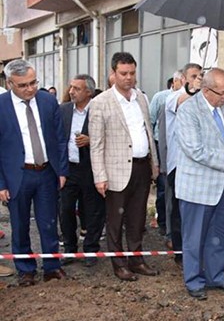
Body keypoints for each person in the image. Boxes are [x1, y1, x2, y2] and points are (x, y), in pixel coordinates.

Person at [175, 68, 224, 300]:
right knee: (194, 236)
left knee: (220, 233)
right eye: (223, 93)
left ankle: (216, 276)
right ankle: (194, 281)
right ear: (206, 90)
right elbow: (194, 149)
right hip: (198, 186)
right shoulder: (188, 110)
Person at [89, 52, 160, 281]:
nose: (128, 78)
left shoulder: (140, 98)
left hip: (141, 168)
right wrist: (100, 176)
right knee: (115, 220)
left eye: (132, 73)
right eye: (123, 73)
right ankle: (119, 264)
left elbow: (147, 132)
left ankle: (136, 260)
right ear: (113, 74)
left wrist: (154, 163)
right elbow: (96, 144)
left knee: (137, 218)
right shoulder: (100, 103)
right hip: (115, 172)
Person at [0, 59, 69, 285]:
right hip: (16, 176)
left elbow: (60, 139)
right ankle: (25, 269)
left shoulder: (48, 101)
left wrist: (61, 170)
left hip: (47, 173)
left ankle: (52, 266)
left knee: (48, 222)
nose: (30, 89)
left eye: (33, 82)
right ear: (10, 83)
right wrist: (1, 183)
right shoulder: (1, 106)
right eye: (23, 85)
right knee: (19, 226)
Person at [59, 74, 105, 267]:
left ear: (89, 92)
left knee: (93, 210)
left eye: (76, 89)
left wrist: (90, 140)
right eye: (71, 87)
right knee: (65, 209)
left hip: (90, 168)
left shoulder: (99, 109)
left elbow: (110, 136)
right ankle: (69, 249)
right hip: (69, 169)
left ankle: (91, 250)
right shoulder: (63, 110)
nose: (71, 92)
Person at [165, 63, 203, 266]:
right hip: (179, 163)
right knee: (179, 210)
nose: (198, 79)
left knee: (197, 210)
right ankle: (180, 251)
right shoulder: (173, 97)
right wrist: (192, 90)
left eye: (200, 76)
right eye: (194, 76)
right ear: (182, 79)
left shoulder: (202, 99)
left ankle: (196, 248)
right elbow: (182, 101)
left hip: (199, 163)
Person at [149, 72, 183, 236]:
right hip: (162, 145)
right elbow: (151, 121)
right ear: (175, 81)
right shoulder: (161, 98)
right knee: (164, 188)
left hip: (180, 151)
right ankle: (163, 222)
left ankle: (173, 227)